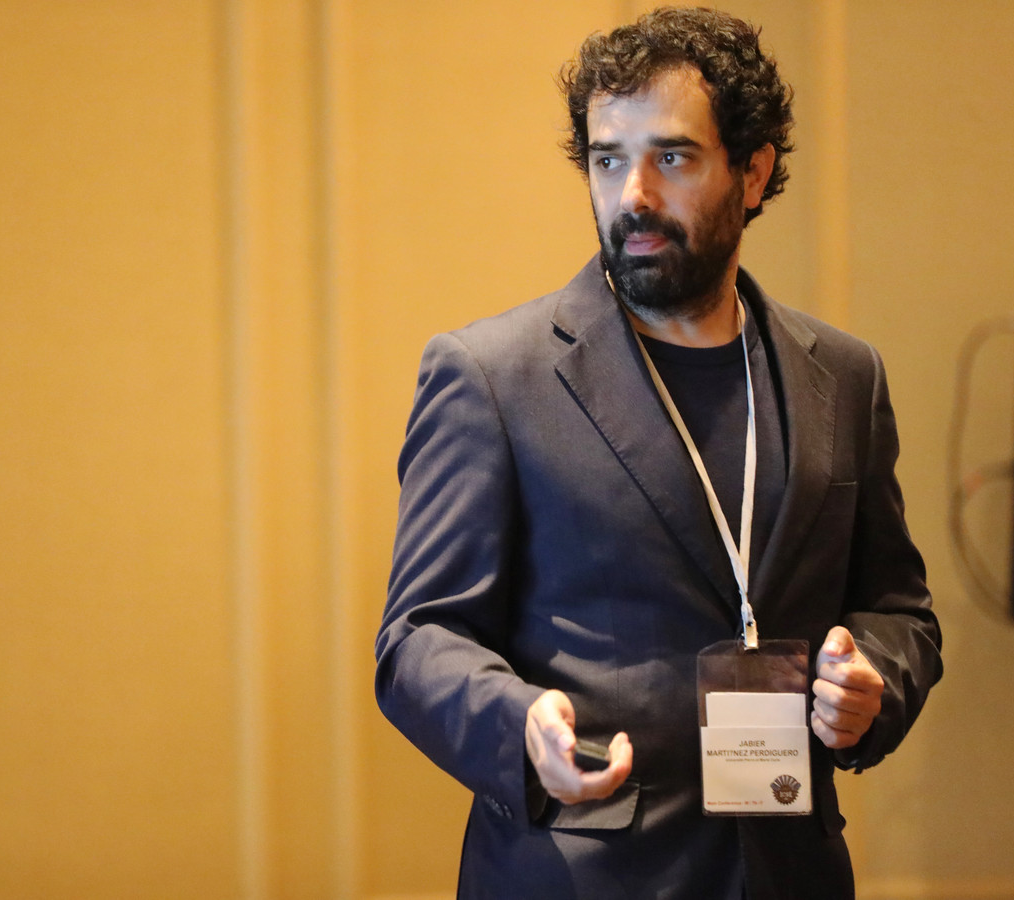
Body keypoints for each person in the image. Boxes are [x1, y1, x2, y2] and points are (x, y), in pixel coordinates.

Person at [373, 7, 943, 899]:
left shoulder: (844, 375)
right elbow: (418, 638)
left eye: (671, 158)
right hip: (582, 872)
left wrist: (875, 681)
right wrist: (518, 723)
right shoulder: (491, 376)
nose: (633, 193)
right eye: (608, 160)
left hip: (789, 872)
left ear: (753, 172)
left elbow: (898, 610)